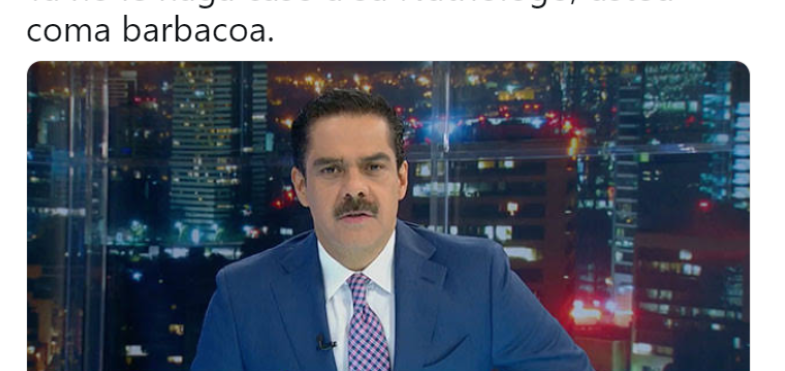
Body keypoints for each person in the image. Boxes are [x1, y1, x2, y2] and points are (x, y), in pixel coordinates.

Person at [191, 89, 594, 371]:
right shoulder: (243, 295)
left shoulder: (479, 275)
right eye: (331, 169)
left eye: (373, 166)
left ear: (401, 180)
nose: (355, 188)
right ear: (301, 186)